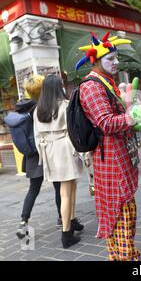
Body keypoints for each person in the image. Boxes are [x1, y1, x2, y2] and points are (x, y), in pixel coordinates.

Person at [77, 32, 141, 261]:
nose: (116, 63)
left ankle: (121, 255)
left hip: (117, 155)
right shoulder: (92, 87)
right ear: (95, 61)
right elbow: (105, 123)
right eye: (110, 59)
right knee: (122, 214)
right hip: (111, 159)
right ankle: (125, 257)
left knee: (123, 212)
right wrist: (133, 117)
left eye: (116, 58)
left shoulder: (106, 82)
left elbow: (116, 117)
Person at [33, 74, 84, 249]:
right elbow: (73, 130)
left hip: (49, 150)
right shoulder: (65, 105)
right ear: (58, 87)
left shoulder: (38, 110)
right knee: (66, 192)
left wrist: (43, 155)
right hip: (64, 149)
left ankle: (72, 220)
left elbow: (36, 136)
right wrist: (82, 152)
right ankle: (66, 233)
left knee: (71, 186)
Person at [15, 75, 62, 240]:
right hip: (46, 151)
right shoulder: (41, 108)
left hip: (32, 157)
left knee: (33, 189)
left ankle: (23, 222)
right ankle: (62, 218)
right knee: (58, 185)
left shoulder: (21, 108)